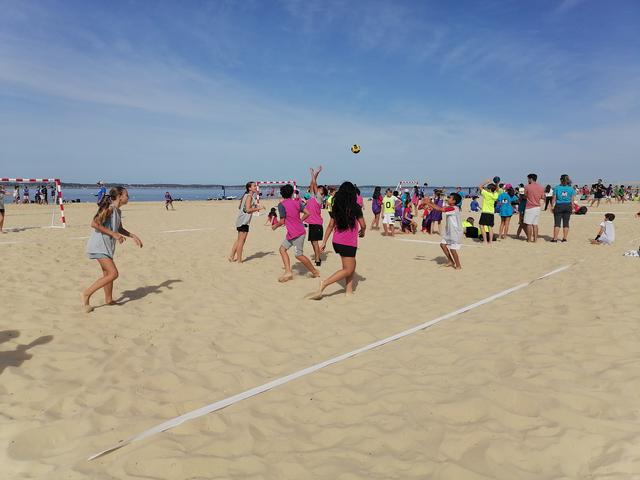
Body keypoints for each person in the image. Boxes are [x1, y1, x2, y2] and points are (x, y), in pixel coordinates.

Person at [82, 187, 143, 313]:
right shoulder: (109, 208)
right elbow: (94, 223)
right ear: (120, 197)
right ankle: (87, 293)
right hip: (98, 245)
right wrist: (113, 234)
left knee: (107, 274)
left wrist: (132, 236)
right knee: (113, 273)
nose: (128, 197)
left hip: (107, 247)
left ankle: (108, 299)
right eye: (126, 195)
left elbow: (119, 228)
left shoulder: (118, 211)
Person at [308, 181, 366, 300]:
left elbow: (330, 225)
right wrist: (363, 231)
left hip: (337, 241)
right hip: (348, 242)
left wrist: (324, 242)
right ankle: (324, 283)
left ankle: (349, 291)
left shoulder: (336, 206)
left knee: (351, 265)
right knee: (348, 269)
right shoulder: (355, 207)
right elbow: (363, 225)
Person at [272, 183, 319, 282]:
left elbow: (282, 221)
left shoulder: (281, 205)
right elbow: (307, 213)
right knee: (282, 249)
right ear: (292, 193)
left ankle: (315, 272)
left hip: (297, 234)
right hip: (292, 233)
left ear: (282, 194)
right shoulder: (297, 202)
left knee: (298, 255)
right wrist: (300, 221)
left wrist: (275, 226)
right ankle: (288, 271)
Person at [424, 193, 463, 269]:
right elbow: (438, 207)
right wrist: (430, 202)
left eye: (450, 198)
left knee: (452, 249)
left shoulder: (453, 208)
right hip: (449, 231)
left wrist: (428, 203)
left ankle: (458, 265)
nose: (448, 199)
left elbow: (440, 209)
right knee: (442, 245)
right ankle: (451, 261)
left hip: (455, 232)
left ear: (454, 201)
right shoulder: (451, 207)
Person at [229, 182, 263, 263]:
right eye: (254, 186)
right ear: (249, 188)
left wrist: (253, 206)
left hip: (241, 220)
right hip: (243, 221)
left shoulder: (246, 196)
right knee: (241, 241)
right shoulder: (249, 196)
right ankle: (239, 260)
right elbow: (248, 210)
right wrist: (259, 208)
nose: (256, 187)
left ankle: (231, 257)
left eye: (256, 186)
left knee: (239, 240)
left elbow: (240, 207)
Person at [307, 166, 327, 266]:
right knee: (312, 242)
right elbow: (312, 184)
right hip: (312, 223)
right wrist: (313, 174)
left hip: (316, 223)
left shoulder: (319, 198)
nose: (318, 189)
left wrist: (315, 173)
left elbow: (314, 184)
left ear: (323, 194)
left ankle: (318, 259)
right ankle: (317, 257)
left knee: (314, 242)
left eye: (320, 189)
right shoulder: (312, 197)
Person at [551, 174, 576, 243]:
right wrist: (573, 208)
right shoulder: (571, 188)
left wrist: (552, 206)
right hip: (568, 206)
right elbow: (572, 200)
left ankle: (555, 239)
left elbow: (554, 198)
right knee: (566, 223)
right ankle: (564, 239)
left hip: (559, 205)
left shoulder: (557, 188)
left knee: (557, 223)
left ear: (561, 180)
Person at [523, 173, 545, 242]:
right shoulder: (541, 187)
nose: (528, 180)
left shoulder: (527, 186)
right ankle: (535, 239)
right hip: (537, 207)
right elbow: (543, 197)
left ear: (531, 179)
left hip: (530, 207)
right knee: (535, 224)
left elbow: (525, 196)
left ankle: (529, 239)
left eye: (528, 179)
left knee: (529, 224)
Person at [478, 179, 499, 244]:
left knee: (481, 226)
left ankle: (485, 241)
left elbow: (480, 186)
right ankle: (490, 241)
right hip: (491, 213)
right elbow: (497, 190)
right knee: (490, 227)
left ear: (489, 189)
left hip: (485, 212)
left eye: (487, 188)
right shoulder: (495, 195)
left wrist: (486, 182)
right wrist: (496, 184)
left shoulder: (486, 194)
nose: (486, 189)